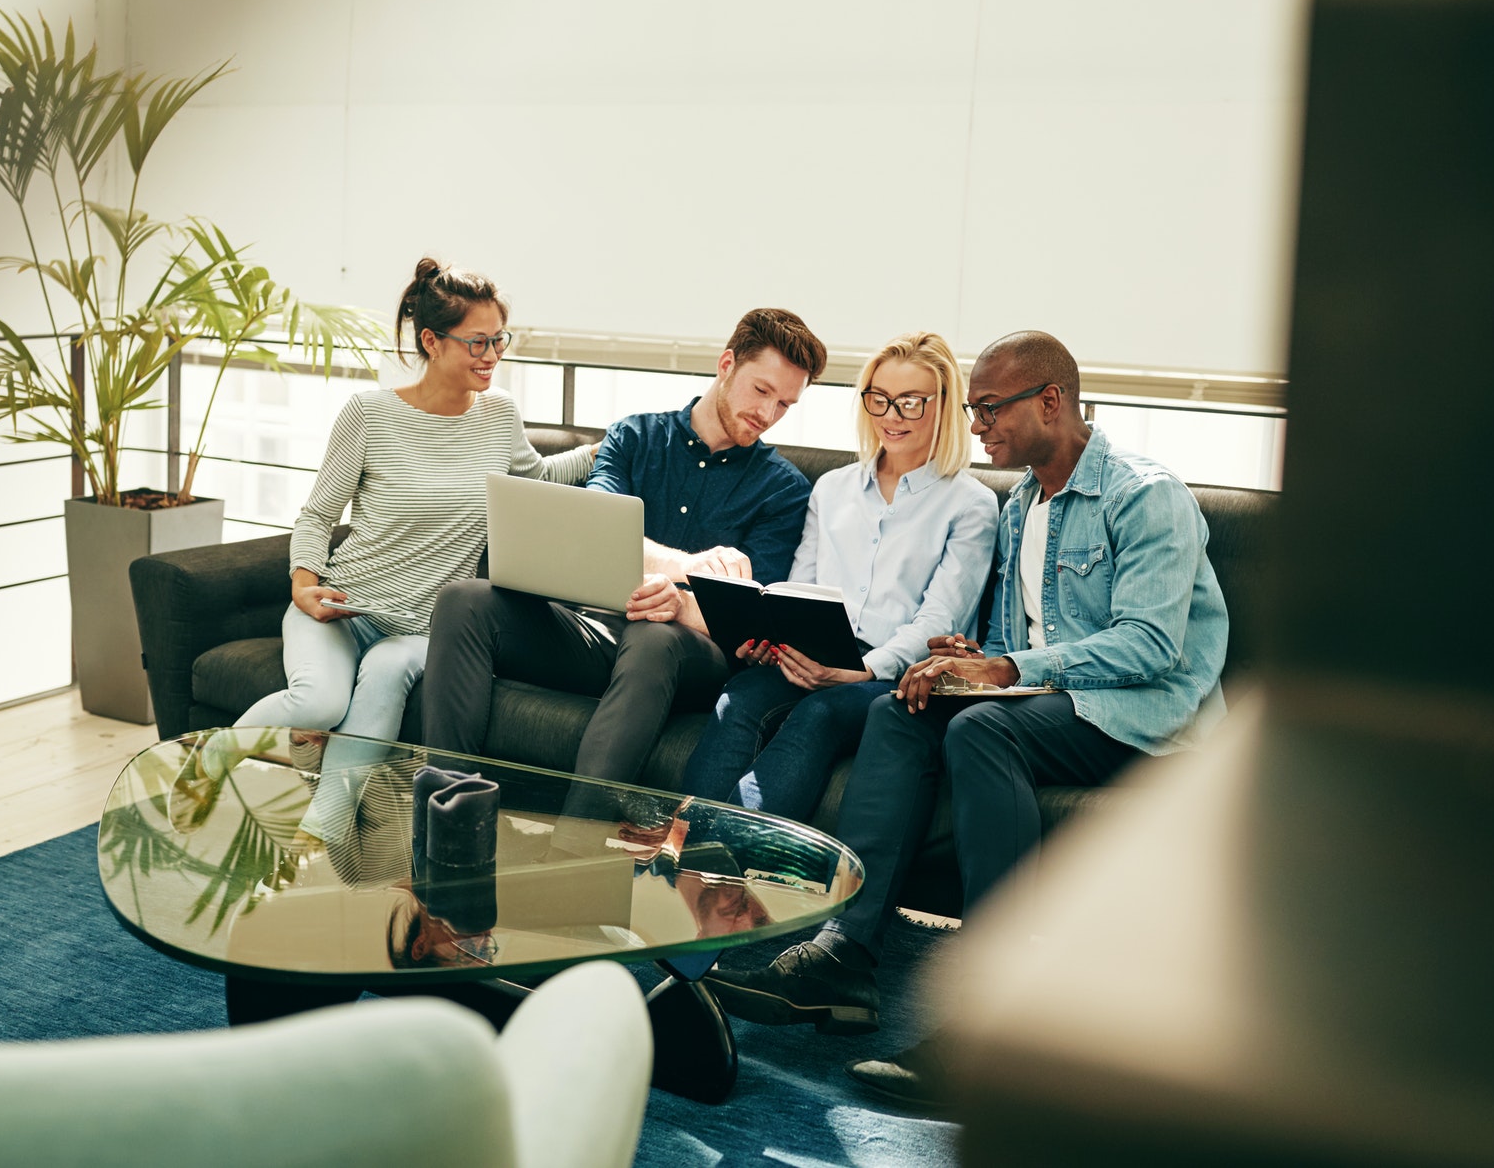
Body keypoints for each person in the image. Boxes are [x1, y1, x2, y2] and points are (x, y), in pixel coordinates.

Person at [706, 330, 1229, 1105]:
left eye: (990, 408)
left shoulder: (1143, 494)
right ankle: (844, 954)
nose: (977, 424)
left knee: (981, 727)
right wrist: (964, 655)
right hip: (1052, 702)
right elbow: (1020, 643)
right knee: (903, 705)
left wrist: (1006, 669)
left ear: (1050, 400)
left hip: (1146, 717)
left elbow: (1151, 644)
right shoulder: (1022, 504)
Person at [421, 309, 827, 789]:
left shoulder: (784, 490)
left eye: (785, 405)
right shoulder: (635, 437)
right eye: (762, 391)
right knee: (464, 600)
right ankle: (447, 817)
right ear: (726, 365)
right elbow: (594, 534)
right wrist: (690, 568)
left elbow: (754, 619)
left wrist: (680, 604)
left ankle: (578, 851)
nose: (768, 414)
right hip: (592, 632)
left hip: (690, 657)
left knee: (653, 636)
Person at [226, 258, 596, 755]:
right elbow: (317, 515)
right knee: (319, 702)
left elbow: (539, 477)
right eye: (477, 342)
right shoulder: (369, 414)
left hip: (422, 630)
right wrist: (304, 587)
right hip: (346, 608)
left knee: (385, 677)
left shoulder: (499, 412)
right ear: (431, 341)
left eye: (499, 339)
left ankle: (321, 832)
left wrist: (612, 445)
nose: (492, 355)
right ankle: (202, 765)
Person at [680, 332, 998, 821]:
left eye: (911, 402)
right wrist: (772, 640)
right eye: (880, 399)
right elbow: (795, 589)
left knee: (821, 713)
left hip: (891, 673)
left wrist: (863, 671)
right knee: (739, 697)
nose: (892, 416)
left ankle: (723, 854)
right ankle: (695, 850)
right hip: (818, 652)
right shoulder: (831, 489)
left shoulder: (971, 504)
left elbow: (938, 619)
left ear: (944, 405)